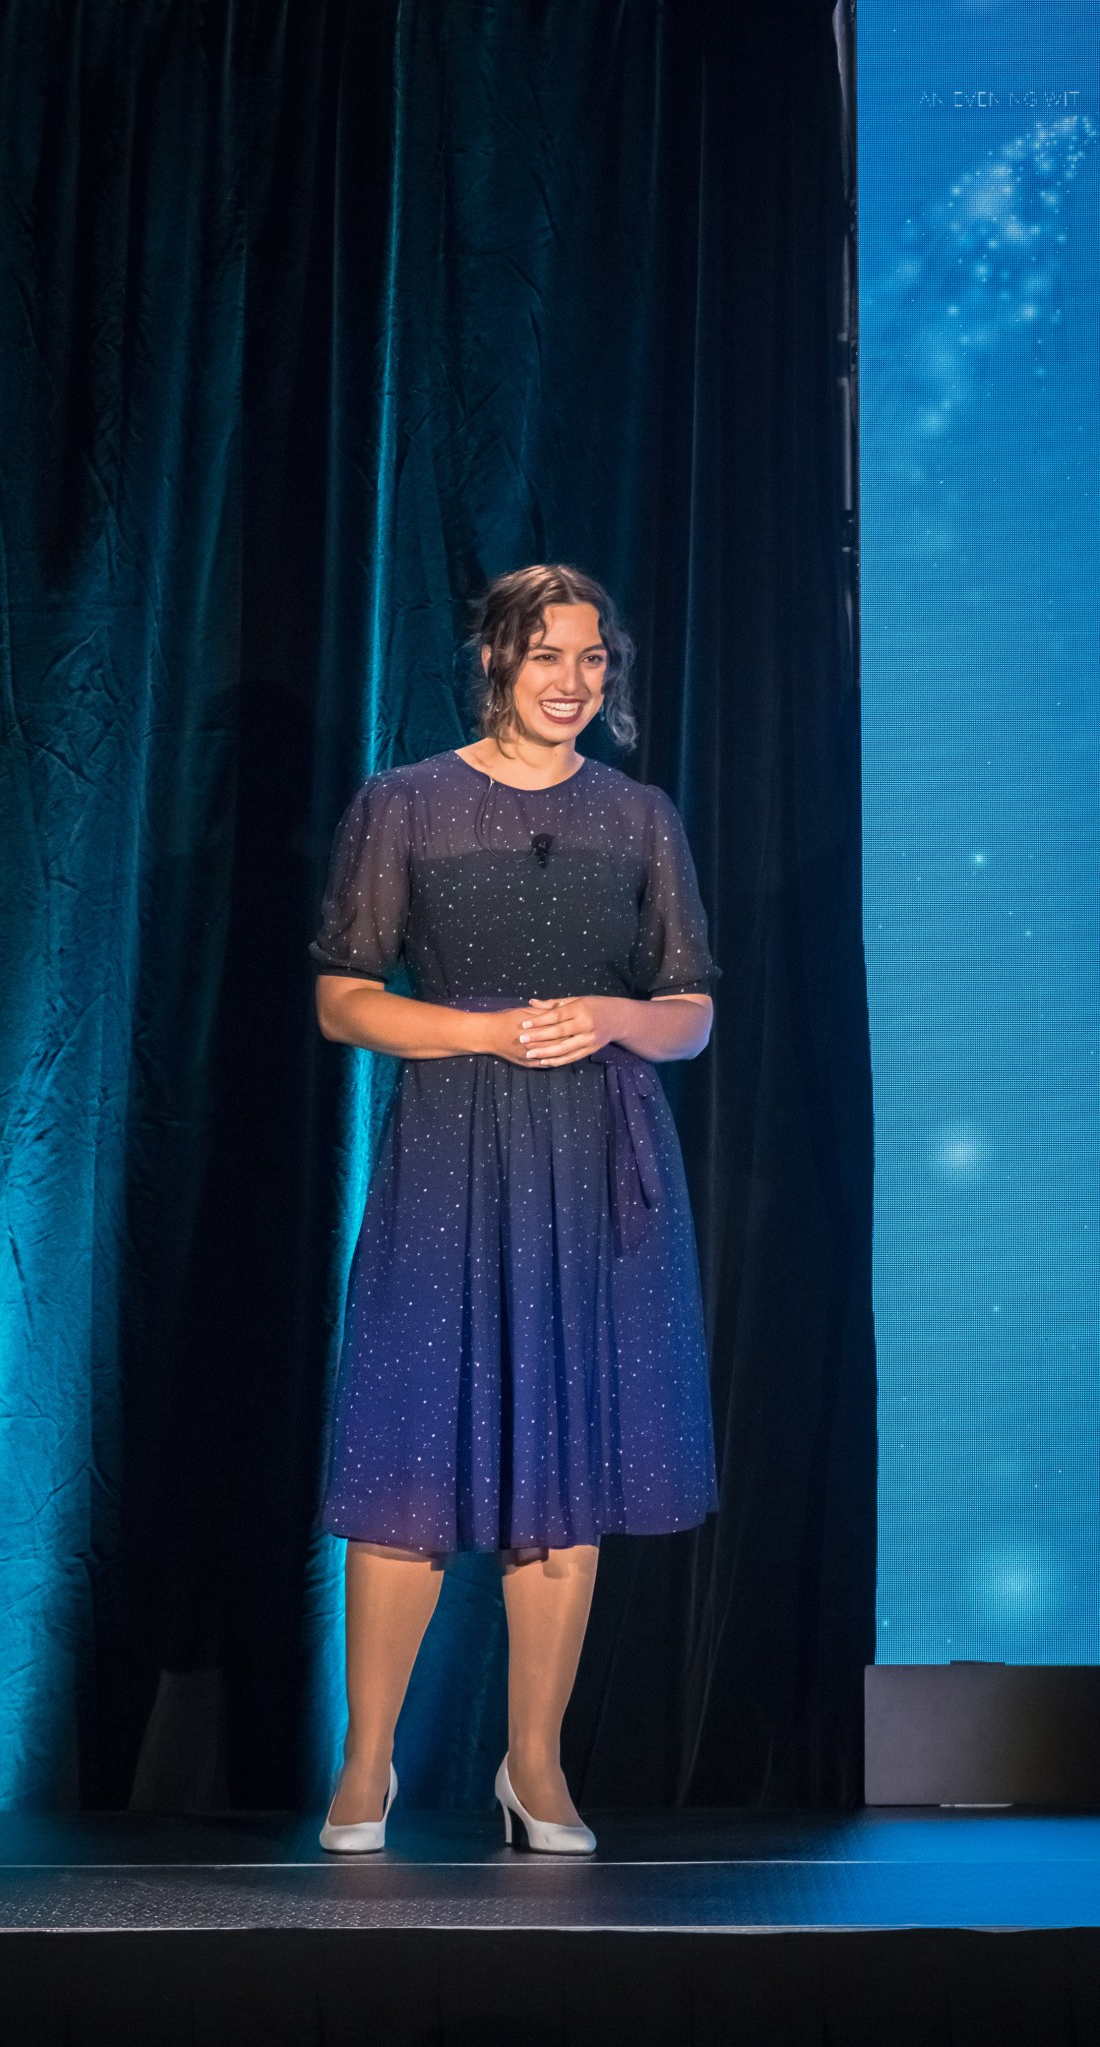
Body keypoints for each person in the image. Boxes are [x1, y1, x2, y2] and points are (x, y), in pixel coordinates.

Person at [308, 563, 721, 1855]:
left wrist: (606, 1017)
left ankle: (532, 1768)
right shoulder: (405, 805)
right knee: (407, 1461)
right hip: (448, 1149)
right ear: (492, 660)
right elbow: (341, 997)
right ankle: (364, 1764)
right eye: (546, 655)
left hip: (595, 1156)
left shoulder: (638, 817)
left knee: (566, 1471)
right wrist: (476, 1034)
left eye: (593, 660)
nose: (572, 683)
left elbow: (691, 1014)